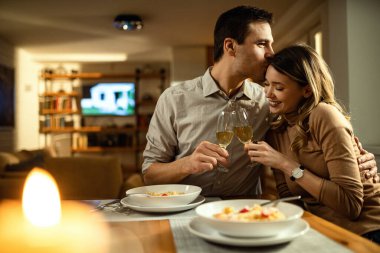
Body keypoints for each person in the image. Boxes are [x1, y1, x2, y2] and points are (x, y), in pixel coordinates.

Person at [142, 5, 378, 197]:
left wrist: (360, 159)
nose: (271, 53)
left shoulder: (270, 102)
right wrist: (187, 164)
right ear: (230, 46)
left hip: (244, 214)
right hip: (183, 210)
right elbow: (150, 174)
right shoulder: (174, 99)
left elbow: (316, 127)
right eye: (262, 43)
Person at [245, 44, 380, 243]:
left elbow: (350, 205)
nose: (268, 94)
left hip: (365, 231)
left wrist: (286, 164)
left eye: (279, 87)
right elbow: (290, 199)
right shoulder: (276, 131)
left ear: (307, 90)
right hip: (319, 229)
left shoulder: (324, 115)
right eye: (266, 84)